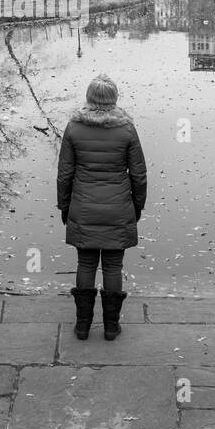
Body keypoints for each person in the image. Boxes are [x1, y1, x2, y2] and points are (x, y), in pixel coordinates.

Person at [57, 74, 147, 341]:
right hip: (118, 206)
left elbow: (64, 174)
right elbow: (139, 174)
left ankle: (83, 326)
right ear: (114, 99)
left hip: (83, 206)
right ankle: (110, 327)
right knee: (112, 266)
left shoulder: (74, 127)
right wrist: (137, 206)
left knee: (85, 263)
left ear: (89, 97)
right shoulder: (126, 129)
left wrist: (65, 205)